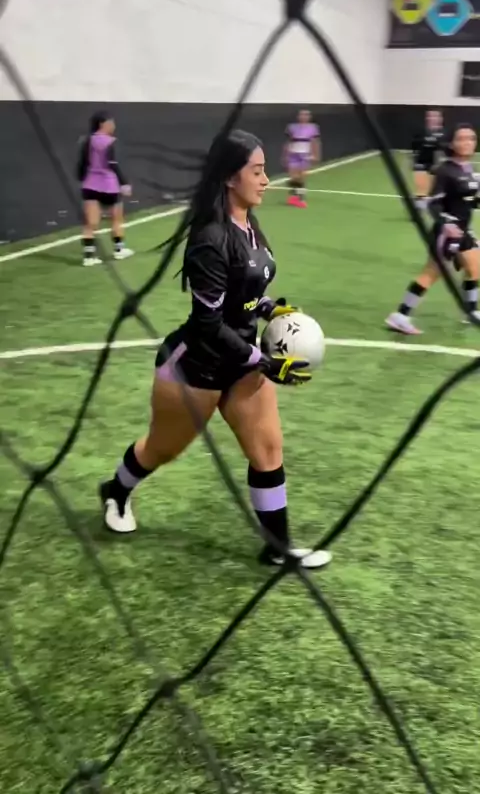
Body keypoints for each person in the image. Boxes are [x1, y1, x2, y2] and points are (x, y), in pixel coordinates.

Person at [99, 129, 332, 570]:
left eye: (265, 171)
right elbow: (208, 324)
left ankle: (278, 548)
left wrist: (269, 309)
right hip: (197, 367)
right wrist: (263, 361)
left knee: (268, 452)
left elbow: (243, 291)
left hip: (240, 363)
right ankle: (116, 490)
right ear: (229, 177)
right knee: (161, 449)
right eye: (257, 171)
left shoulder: (249, 224)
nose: (266, 180)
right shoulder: (210, 238)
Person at [386, 123, 480, 335]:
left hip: (463, 231)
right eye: (461, 138)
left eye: (471, 138)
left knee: (475, 268)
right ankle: (400, 316)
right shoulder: (445, 170)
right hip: (446, 233)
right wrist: (446, 223)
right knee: (431, 273)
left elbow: (467, 201)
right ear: (452, 143)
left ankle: (471, 311)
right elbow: (433, 203)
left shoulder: (468, 169)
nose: (467, 142)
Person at [77, 111, 134, 267]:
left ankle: (88, 256)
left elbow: (82, 163)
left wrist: (82, 179)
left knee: (90, 223)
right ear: (103, 124)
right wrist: (124, 183)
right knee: (116, 219)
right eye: (111, 122)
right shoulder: (110, 141)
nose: (113, 126)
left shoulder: (87, 140)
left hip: (90, 184)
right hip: (109, 185)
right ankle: (119, 249)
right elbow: (113, 163)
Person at [283, 109, 321, 208]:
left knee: (302, 177)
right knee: (293, 177)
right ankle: (294, 197)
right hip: (293, 154)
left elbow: (315, 142)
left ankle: (299, 198)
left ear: (309, 117)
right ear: (298, 116)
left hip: (305, 155)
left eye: (306, 115)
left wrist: (315, 154)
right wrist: (285, 155)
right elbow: (288, 142)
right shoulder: (292, 127)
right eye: (302, 115)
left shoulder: (313, 128)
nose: (304, 117)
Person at [411, 109, 444, 209]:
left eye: (435, 116)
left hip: (435, 163)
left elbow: (443, 149)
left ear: (440, 119)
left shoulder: (443, 133)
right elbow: (414, 146)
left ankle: (436, 203)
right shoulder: (421, 131)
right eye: (430, 116)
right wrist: (414, 160)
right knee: (421, 186)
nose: (432, 118)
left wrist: (438, 163)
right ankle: (419, 205)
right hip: (420, 162)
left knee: (436, 186)